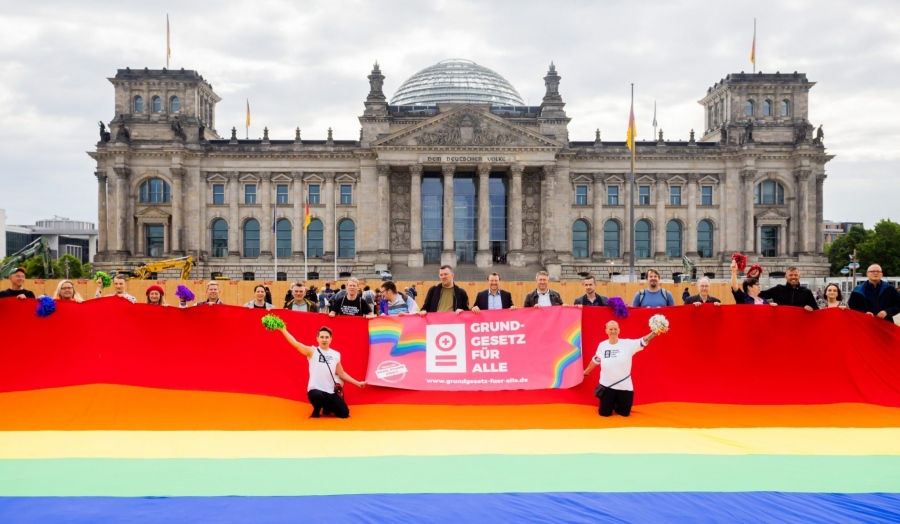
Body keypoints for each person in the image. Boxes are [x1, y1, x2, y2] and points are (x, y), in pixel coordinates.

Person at [277, 325, 366, 418]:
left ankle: (327, 407)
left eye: (327, 337)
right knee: (317, 396)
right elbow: (296, 343)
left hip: (330, 391)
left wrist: (358, 383)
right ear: (317, 339)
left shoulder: (336, 355)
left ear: (331, 339)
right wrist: (283, 330)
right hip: (315, 390)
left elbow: (341, 373)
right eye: (322, 337)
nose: (324, 340)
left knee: (344, 413)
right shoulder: (312, 351)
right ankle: (317, 409)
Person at [582, 320, 666, 417]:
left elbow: (644, 340)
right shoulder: (602, 345)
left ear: (619, 330)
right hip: (607, 386)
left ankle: (616, 403)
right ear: (606, 331)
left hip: (624, 386)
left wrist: (655, 332)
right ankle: (609, 402)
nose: (613, 331)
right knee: (604, 413)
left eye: (615, 329)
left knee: (624, 413)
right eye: (610, 329)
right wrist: (586, 371)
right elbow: (596, 360)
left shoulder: (628, 344)